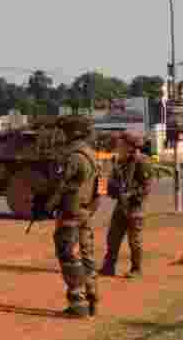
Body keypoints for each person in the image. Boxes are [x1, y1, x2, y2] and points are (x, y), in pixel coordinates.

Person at [44, 115, 101, 318]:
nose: (60, 135)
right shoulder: (91, 154)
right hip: (85, 211)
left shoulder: (72, 157)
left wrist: (48, 205)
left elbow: (60, 185)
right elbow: (98, 188)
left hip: (71, 212)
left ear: (71, 133)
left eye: (63, 131)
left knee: (68, 255)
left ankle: (78, 302)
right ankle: (92, 297)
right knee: (86, 256)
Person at [100, 131, 153, 279]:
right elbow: (113, 183)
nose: (118, 147)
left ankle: (136, 269)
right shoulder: (119, 161)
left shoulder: (143, 162)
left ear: (130, 147)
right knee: (113, 237)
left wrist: (129, 195)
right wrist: (108, 188)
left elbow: (146, 187)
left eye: (121, 145)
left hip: (135, 207)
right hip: (121, 206)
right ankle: (108, 267)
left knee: (134, 241)